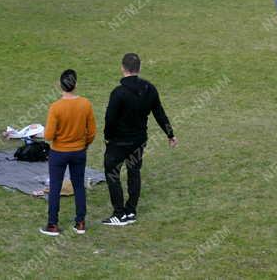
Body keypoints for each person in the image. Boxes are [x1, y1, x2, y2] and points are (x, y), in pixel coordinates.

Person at [102, 53, 176, 227]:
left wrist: (107, 137)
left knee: (112, 173)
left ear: (122, 68)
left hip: (118, 142)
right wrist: (170, 134)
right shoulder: (149, 89)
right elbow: (159, 113)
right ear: (139, 69)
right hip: (138, 141)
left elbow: (110, 118)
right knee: (134, 172)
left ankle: (119, 213)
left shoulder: (118, 93)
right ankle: (131, 210)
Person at [40, 69, 96, 237]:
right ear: (75, 84)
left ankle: (52, 224)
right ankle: (80, 222)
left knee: (55, 187)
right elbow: (92, 131)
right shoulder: (85, 104)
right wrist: (84, 144)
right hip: (79, 151)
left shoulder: (55, 107)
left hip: (58, 152)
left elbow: (48, 135)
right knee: (79, 185)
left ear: (60, 85)